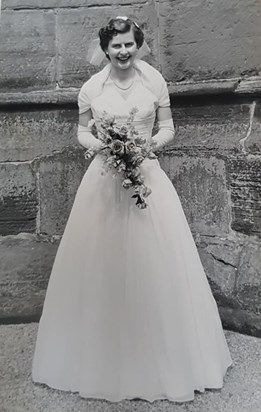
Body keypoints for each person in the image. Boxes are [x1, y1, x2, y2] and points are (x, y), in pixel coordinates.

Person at [32, 17, 232, 403]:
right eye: (116, 46)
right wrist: (103, 144)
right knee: (98, 262)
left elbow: (169, 127)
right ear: (105, 48)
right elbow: (82, 131)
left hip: (147, 173)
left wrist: (146, 147)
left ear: (138, 46)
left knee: (157, 259)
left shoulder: (154, 81)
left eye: (129, 45)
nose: (123, 52)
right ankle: (99, 356)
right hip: (104, 179)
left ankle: (166, 355)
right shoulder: (92, 87)